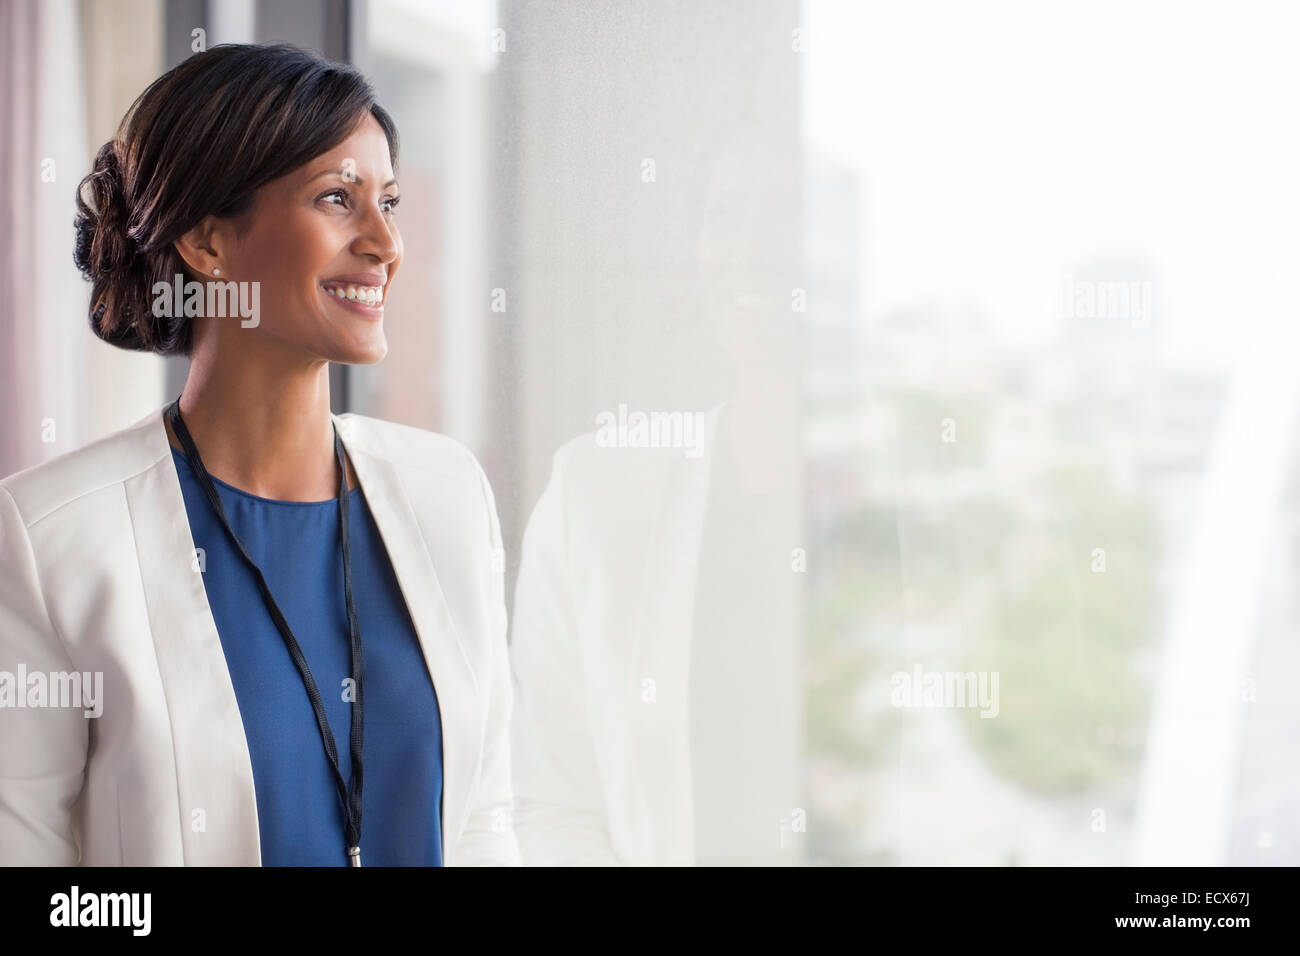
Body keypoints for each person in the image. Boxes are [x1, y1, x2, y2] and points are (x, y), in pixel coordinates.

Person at [0, 42, 518, 866]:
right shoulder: (51, 538)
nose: (385, 242)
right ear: (208, 245)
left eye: (389, 201)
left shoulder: (447, 494)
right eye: (338, 200)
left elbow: (485, 814)